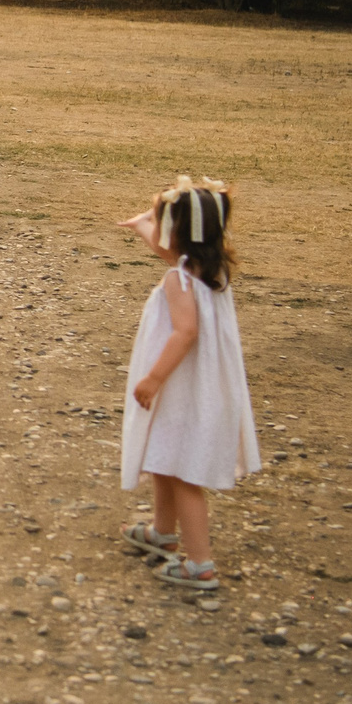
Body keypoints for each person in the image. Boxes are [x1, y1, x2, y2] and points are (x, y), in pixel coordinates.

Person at [114, 174, 261, 591]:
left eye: (159, 224)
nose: (154, 234)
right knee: (165, 460)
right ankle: (163, 532)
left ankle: (201, 564)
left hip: (179, 388)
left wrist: (152, 379)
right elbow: (168, 251)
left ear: (177, 236)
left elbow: (186, 333)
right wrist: (144, 222)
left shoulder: (178, 281)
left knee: (183, 476)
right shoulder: (207, 272)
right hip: (193, 391)